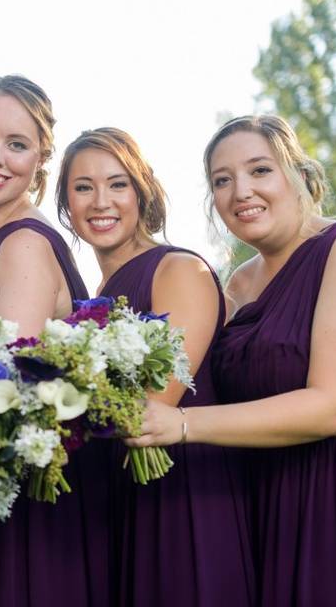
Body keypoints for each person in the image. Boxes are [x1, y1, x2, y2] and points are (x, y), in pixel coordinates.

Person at [128, 115, 336, 606]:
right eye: (222, 180)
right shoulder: (234, 285)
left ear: (301, 176)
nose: (241, 191)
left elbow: (335, 406)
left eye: (259, 170)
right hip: (257, 506)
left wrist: (180, 424)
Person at [57, 127, 254, 606]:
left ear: (143, 190)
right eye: (83, 187)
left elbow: (154, 402)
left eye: (117, 183)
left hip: (186, 499)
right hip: (121, 500)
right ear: (66, 203)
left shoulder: (179, 269)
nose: (101, 201)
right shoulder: (87, 300)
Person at [0, 76, 91, 607]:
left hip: (20, 495)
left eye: (17, 144)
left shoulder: (24, 242)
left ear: (41, 156)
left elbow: (7, 395)